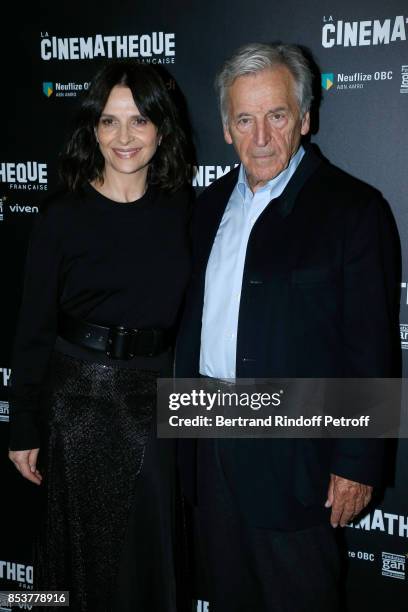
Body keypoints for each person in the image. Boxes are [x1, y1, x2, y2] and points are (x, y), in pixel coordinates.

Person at [175, 43, 400, 611]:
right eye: (244, 120)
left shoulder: (353, 209)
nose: (260, 138)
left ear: (304, 117)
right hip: (207, 439)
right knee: (225, 594)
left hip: (298, 451)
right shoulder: (204, 208)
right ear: (226, 129)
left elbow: (370, 347)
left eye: (276, 116)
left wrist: (357, 462)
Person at [8, 60, 192, 612]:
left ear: (162, 128)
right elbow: (32, 326)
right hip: (78, 405)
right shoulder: (62, 215)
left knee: (147, 562)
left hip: (153, 402)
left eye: (138, 121)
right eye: (109, 122)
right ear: (93, 130)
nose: (123, 138)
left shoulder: (184, 213)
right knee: (76, 562)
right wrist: (23, 423)